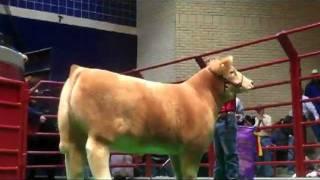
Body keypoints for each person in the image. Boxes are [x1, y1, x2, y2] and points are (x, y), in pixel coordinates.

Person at [214, 97, 243, 180]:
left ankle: (232, 177)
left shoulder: (228, 84)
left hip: (227, 117)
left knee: (230, 154)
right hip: (216, 116)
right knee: (219, 155)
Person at [254, 107, 274, 177]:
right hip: (258, 138)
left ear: (263, 110)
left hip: (266, 138)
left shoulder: (268, 117)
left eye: (259, 110)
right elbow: (256, 131)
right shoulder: (256, 118)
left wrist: (262, 120)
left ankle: (268, 175)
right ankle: (260, 176)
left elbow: (269, 130)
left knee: (267, 156)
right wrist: (259, 121)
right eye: (257, 110)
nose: (258, 112)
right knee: (258, 158)